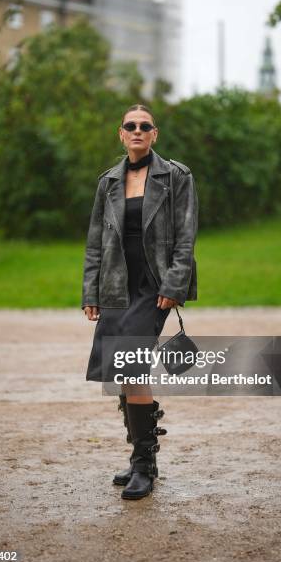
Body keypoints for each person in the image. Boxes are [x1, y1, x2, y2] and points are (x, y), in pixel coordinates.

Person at [81, 103, 198, 500]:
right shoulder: (108, 181)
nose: (137, 130)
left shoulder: (176, 176)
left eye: (144, 126)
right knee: (121, 368)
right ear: (121, 133)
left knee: (131, 365)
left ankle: (145, 465)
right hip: (116, 284)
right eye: (130, 125)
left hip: (154, 285)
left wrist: (175, 282)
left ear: (154, 134)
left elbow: (185, 235)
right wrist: (91, 290)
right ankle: (138, 460)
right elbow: (96, 241)